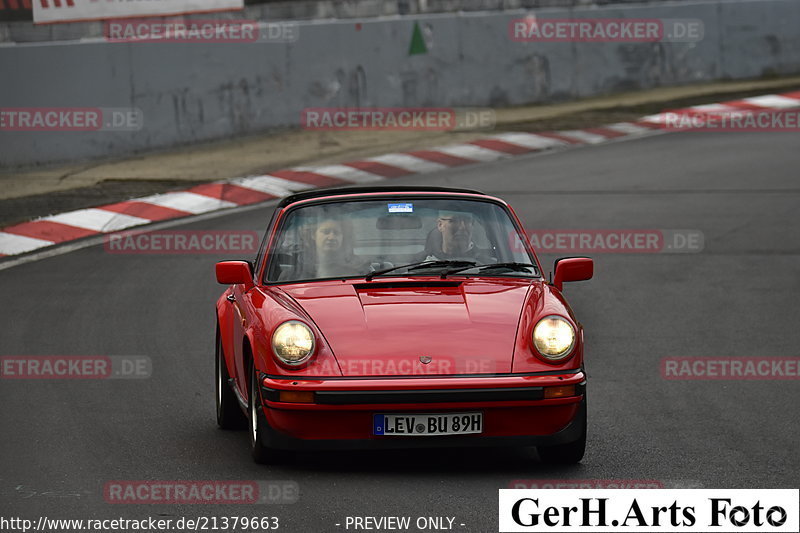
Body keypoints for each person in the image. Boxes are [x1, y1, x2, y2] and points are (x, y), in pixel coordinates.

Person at [422, 210, 495, 263]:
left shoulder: (489, 267)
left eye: (467, 221)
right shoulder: (419, 267)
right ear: (440, 225)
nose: (462, 227)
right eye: (454, 220)